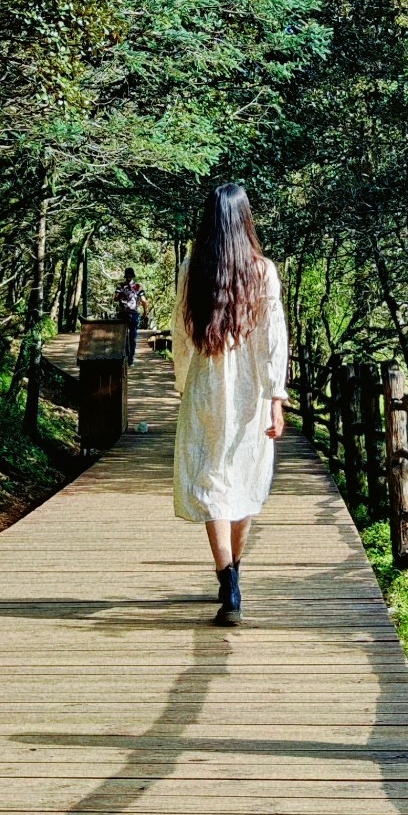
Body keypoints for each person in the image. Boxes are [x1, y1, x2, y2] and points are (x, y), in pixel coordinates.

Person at [172, 182, 288, 627]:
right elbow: (273, 341)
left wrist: (185, 383)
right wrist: (276, 396)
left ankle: (227, 581)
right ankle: (236, 572)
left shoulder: (191, 270)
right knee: (244, 480)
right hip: (249, 395)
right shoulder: (263, 271)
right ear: (245, 221)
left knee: (211, 482)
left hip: (205, 388)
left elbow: (182, 335)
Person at [115, 267, 148, 365]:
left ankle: (127, 358)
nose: (128, 278)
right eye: (128, 276)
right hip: (130, 313)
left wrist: (121, 296)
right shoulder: (137, 286)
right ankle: (129, 358)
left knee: (126, 336)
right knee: (131, 337)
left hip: (126, 313)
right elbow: (144, 301)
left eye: (129, 276)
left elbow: (115, 298)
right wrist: (145, 313)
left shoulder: (122, 286)